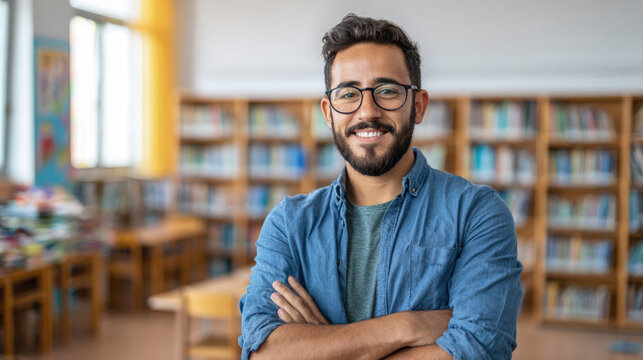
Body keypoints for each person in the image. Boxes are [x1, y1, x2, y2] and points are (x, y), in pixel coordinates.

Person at [239, 13, 523, 360]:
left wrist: (322, 345)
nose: (367, 111)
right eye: (348, 94)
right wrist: (407, 326)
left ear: (418, 106)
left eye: (387, 91)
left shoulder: (477, 214)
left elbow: (480, 351)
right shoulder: (289, 224)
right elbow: (262, 351)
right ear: (328, 113)